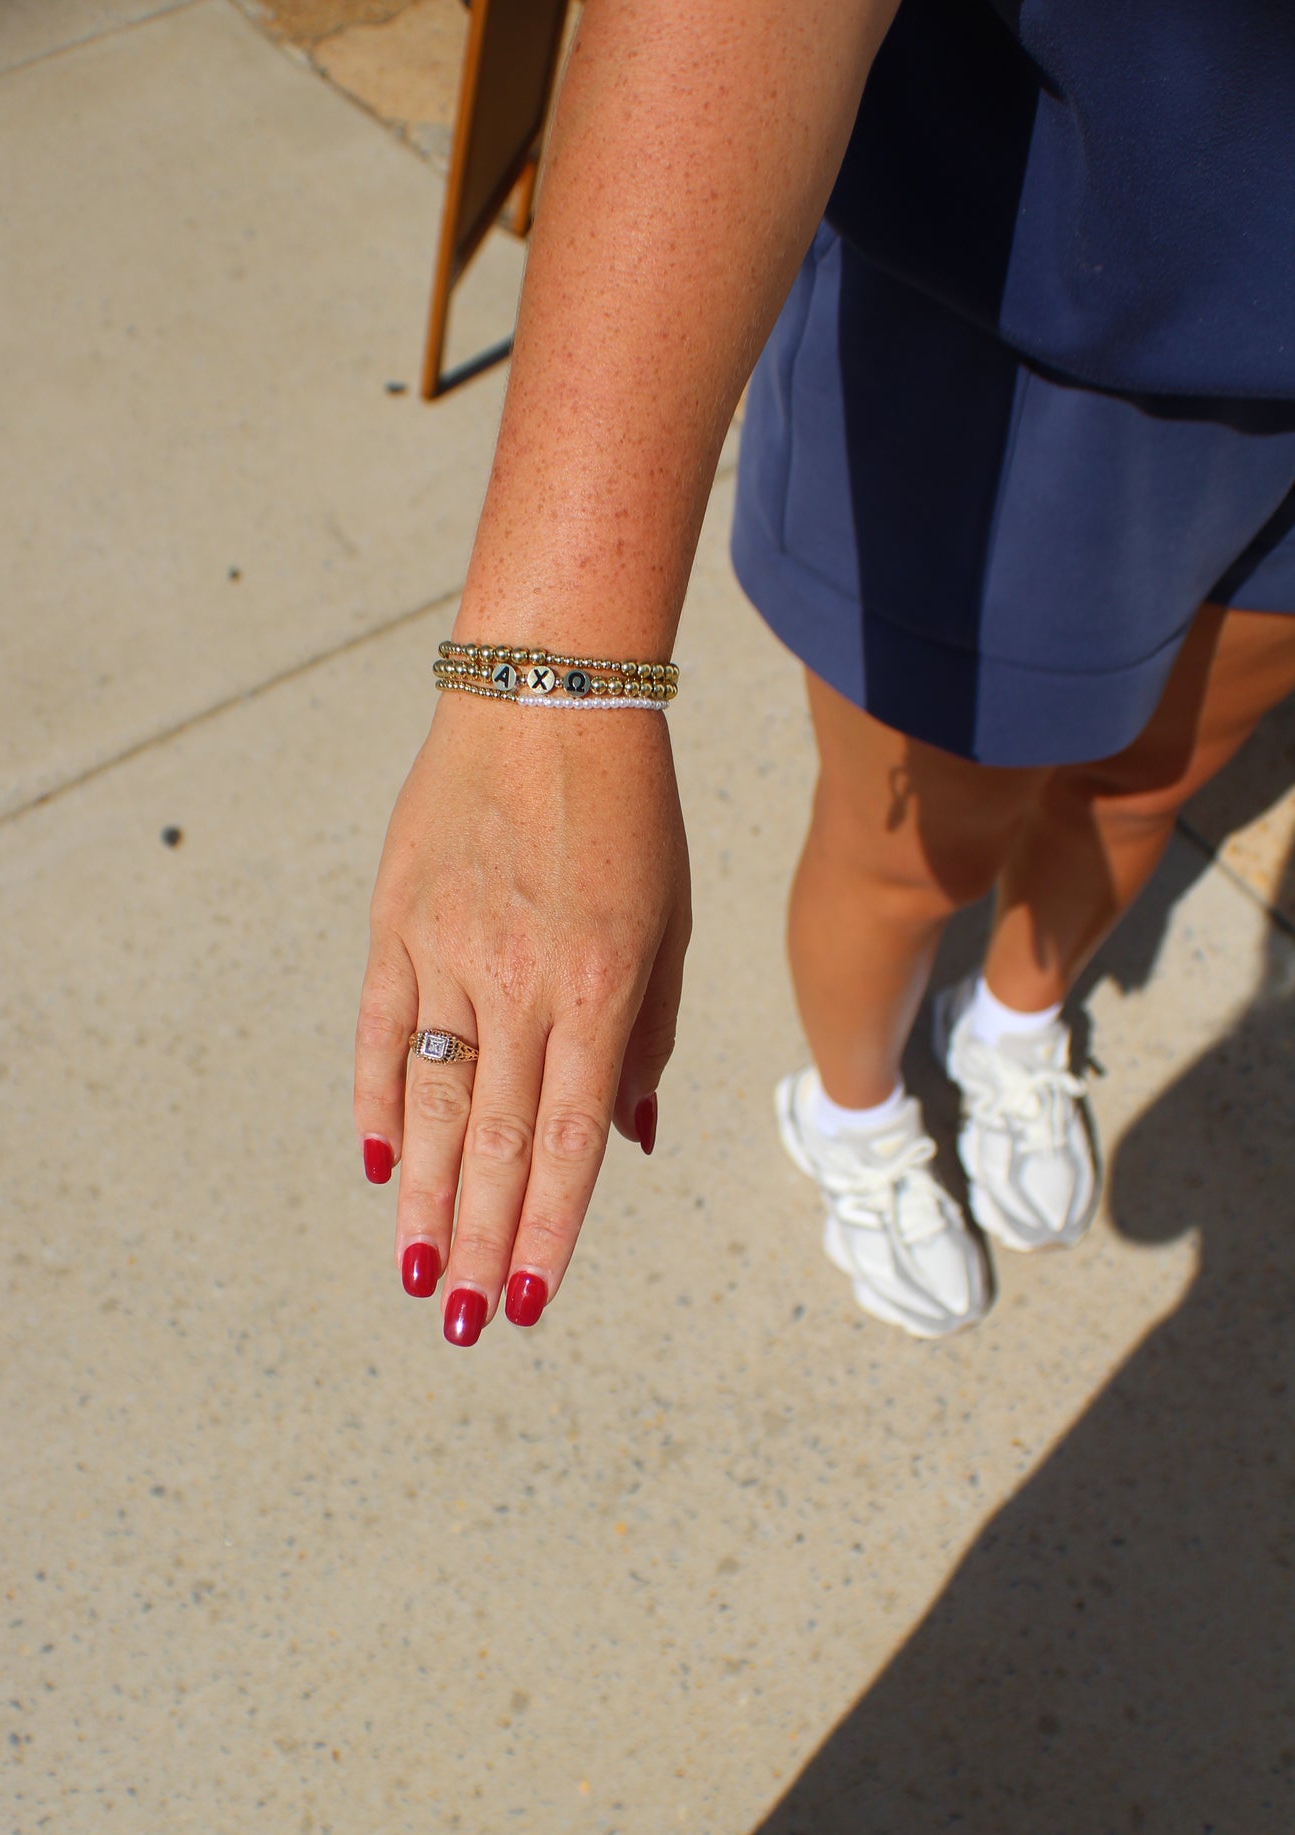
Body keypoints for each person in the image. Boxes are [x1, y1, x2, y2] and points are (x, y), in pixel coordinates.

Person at [354, 0, 1295, 1346]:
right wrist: (554, 674)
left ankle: (1012, 1021)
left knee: (1152, 780)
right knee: (912, 851)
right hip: (1039, 296)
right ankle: (852, 1107)